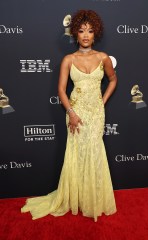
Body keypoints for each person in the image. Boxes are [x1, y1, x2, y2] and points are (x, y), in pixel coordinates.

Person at [21, 9, 117, 222]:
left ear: (95, 34)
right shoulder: (68, 59)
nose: (85, 35)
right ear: (75, 33)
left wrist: (102, 101)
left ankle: (93, 199)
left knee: (94, 153)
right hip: (76, 112)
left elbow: (113, 80)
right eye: (81, 30)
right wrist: (71, 113)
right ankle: (76, 199)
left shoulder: (103, 58)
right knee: (77, 154)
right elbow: (61, 91)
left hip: (96, 113)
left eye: (90, 31)